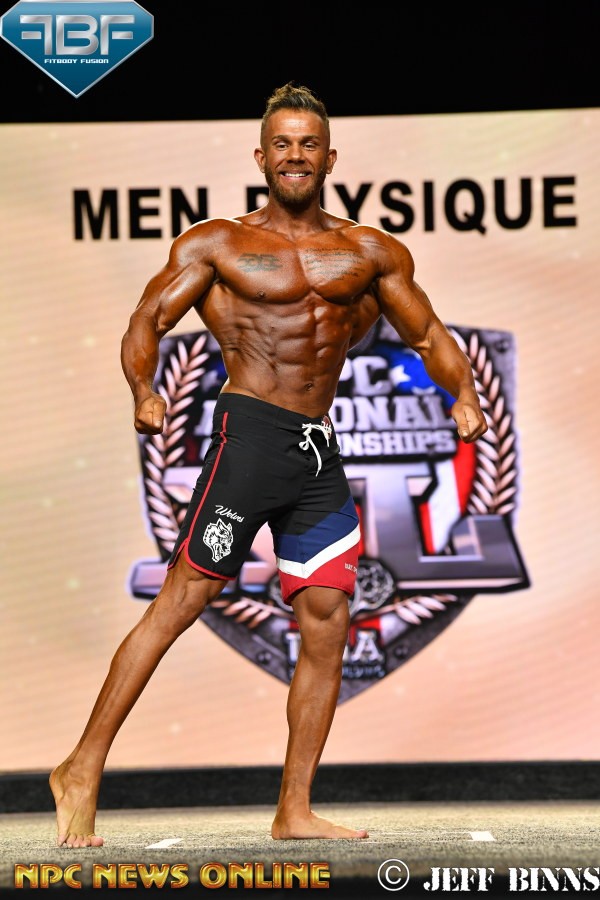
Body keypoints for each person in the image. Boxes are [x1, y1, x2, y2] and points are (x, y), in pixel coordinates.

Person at [50, 82, 487, 848]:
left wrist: (465, 394)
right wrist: (144, 389)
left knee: (328, 622)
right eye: (282, 144)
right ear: (261, 157)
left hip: (316, 453)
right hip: (249, 440)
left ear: (329, 158)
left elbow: (429, 335)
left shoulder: (371, 251)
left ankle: (294, 808)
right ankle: (80, 768)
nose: (295, 156)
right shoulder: (217, 244)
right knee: (181, 602)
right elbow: (148, 318)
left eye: (308, 144)